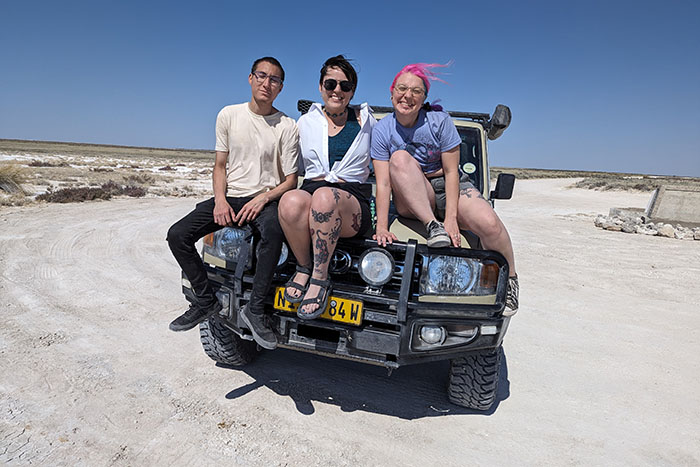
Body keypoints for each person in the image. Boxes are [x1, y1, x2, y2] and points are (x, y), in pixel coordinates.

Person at [166, 57, 300, 347]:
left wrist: (263, 198)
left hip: (264, 201)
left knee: (273, 232)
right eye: (262, 76)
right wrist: (220, 201)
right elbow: (220, 166)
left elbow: (290, 181)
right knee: (178, 235)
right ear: (250, 79)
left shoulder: (287, 125)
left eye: (274, 79)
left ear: (281, 88)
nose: (267, 83)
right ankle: (205, 301)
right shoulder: (228, 115)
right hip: (230, 198)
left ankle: (256, 310)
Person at [370, 63, 519, 315]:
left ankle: (511, 280)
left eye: (416, 91)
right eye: (402, 88)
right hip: (411, 195)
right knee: (399, 159)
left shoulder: (439, 122)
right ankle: (432, 225)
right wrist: (381, 226)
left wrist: (451, 219)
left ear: (424, 98)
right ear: (391, 92)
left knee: (490, 225)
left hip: (449, 186)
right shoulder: (382, 129)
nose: (408, 96)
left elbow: (451, 172)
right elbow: (383, 183)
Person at [278, 55, 376, 319]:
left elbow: (386, 163)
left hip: (351, 201)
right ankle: (303, 267)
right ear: (320, 87)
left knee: (324, 196)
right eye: (331, 83)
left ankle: (320, 279)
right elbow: (289, 166)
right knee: (289, 201)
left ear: (352, 91)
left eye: (345, 86)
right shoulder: (304, 123)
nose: (337, 91)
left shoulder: (368, 122)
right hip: (313, 191)